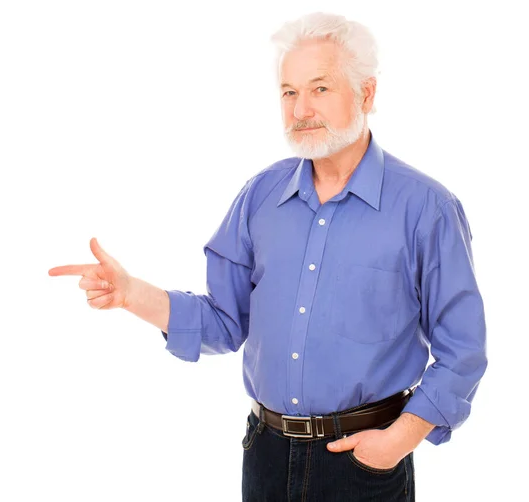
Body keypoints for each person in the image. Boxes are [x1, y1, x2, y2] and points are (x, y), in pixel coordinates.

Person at [48, 11, 487, 502]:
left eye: (319, 88)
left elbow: (463, 349)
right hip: (265, 456)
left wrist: (396, 443)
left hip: (364, 464)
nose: (300, 109)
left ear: (366, 93)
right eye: (289, 92)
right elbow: (224, 322)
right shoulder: (260, 197)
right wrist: (131, 295)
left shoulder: (426, 207)